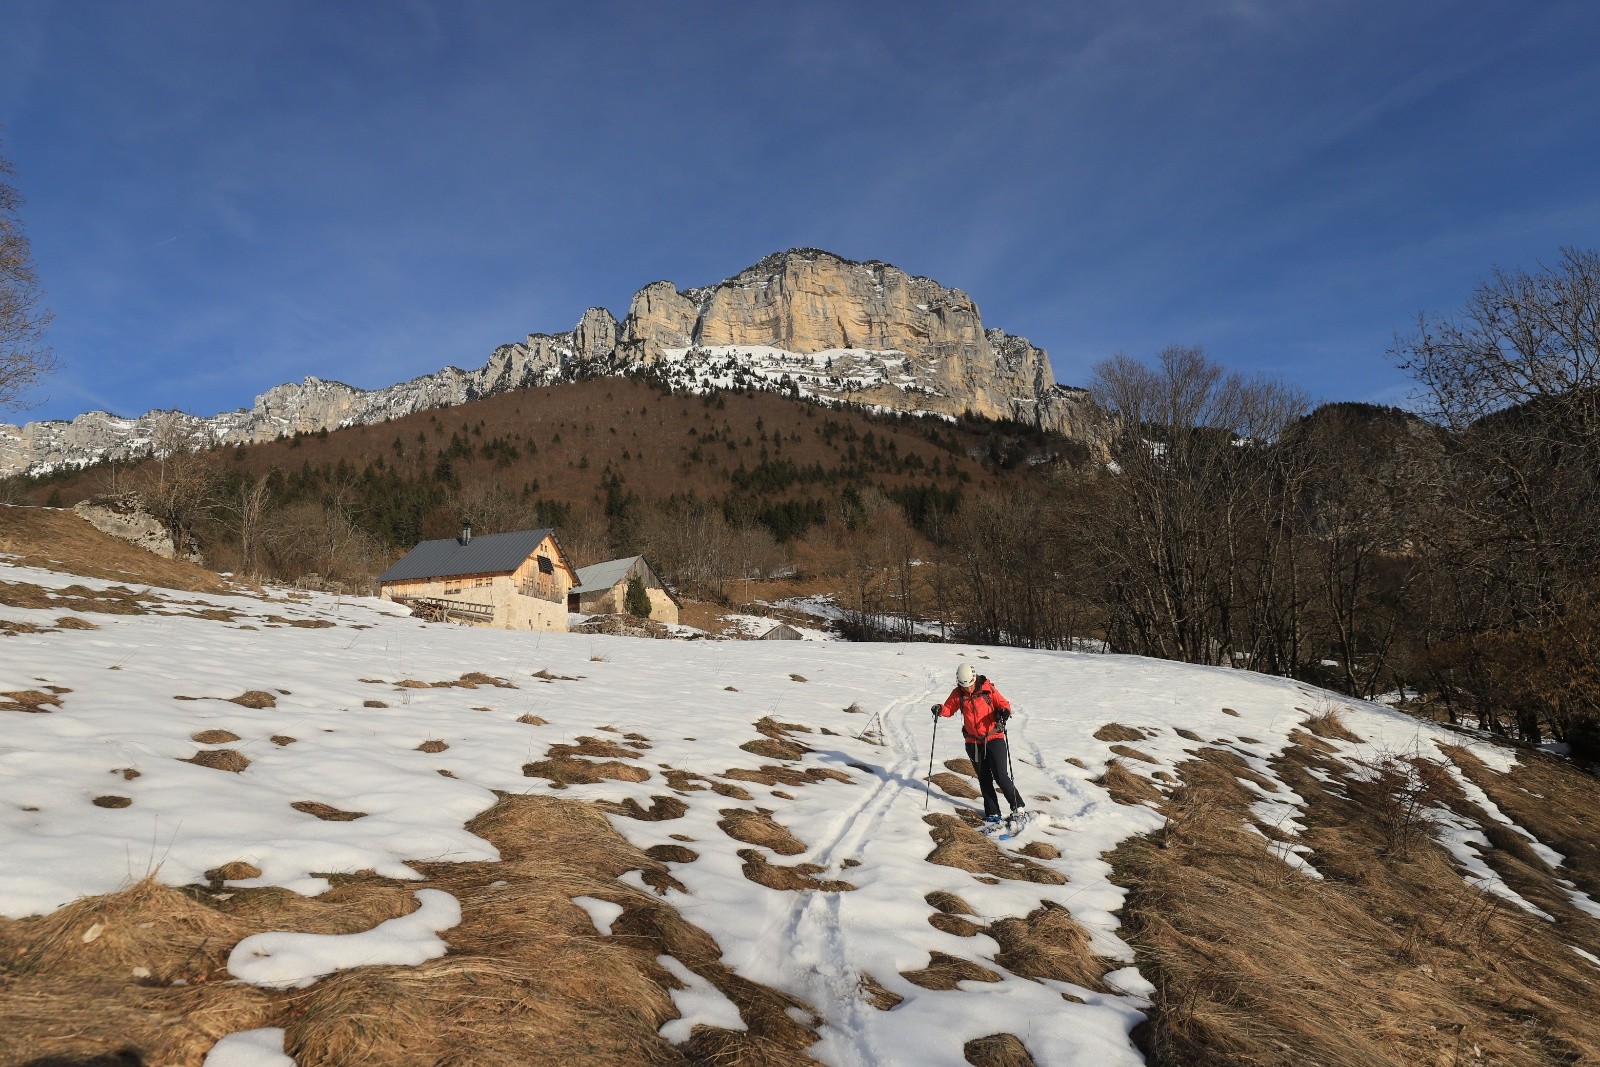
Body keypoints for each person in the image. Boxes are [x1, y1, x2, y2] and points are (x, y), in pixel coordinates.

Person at [932, 663, 1026, 833]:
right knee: (984, 778)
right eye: (964, 686)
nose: (967, 689)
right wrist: (940, 709)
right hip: (973, 742)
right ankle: (993, 813)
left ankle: (1017, 807)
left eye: (969, 685)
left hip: (994, 737)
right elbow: (949, 709)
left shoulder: (987, 689)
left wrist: (1003, 712)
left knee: (1000, 775)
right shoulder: (958, 693)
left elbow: (1003, 704)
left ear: (974, 679)